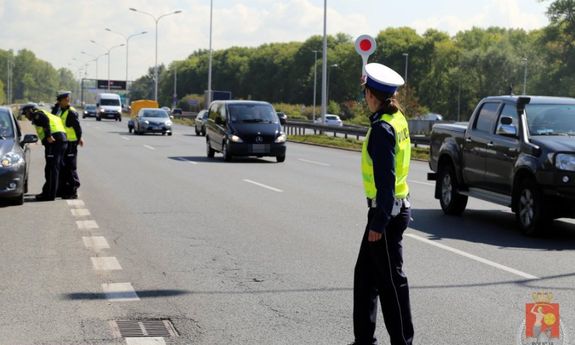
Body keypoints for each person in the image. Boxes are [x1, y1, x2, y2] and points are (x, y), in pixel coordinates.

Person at [352, 63, 414, 345]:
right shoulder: (396, 118)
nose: (364, 96)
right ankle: (364, 339)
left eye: (365, 91)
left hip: (387, 213)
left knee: (391, 283)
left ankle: (403, 342)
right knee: (365, 277)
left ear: (371, 95)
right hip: (391, 208)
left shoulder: (382, 129)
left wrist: (379, 221)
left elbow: (386, 182)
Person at [21, 103, 68, 201]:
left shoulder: (37, 114)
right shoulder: (45, 113)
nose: (25, 116)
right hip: (61, 140)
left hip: (54, 141)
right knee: (54, 168)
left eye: (25, 113)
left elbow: (46, 121)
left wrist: (48, 135)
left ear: (30, 110)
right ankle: (55, 191)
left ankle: (49, 195)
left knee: (51, 169)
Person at [52, 91, 83, 199]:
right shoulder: (61, 111)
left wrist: (79, 139)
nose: (66, 100)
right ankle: (63, 190)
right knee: (63, 167)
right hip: (64, 143)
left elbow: (78, 129)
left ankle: (73, 191)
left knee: (70, 167)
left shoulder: (71, 112)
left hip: (71, 143)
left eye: (65, 100)